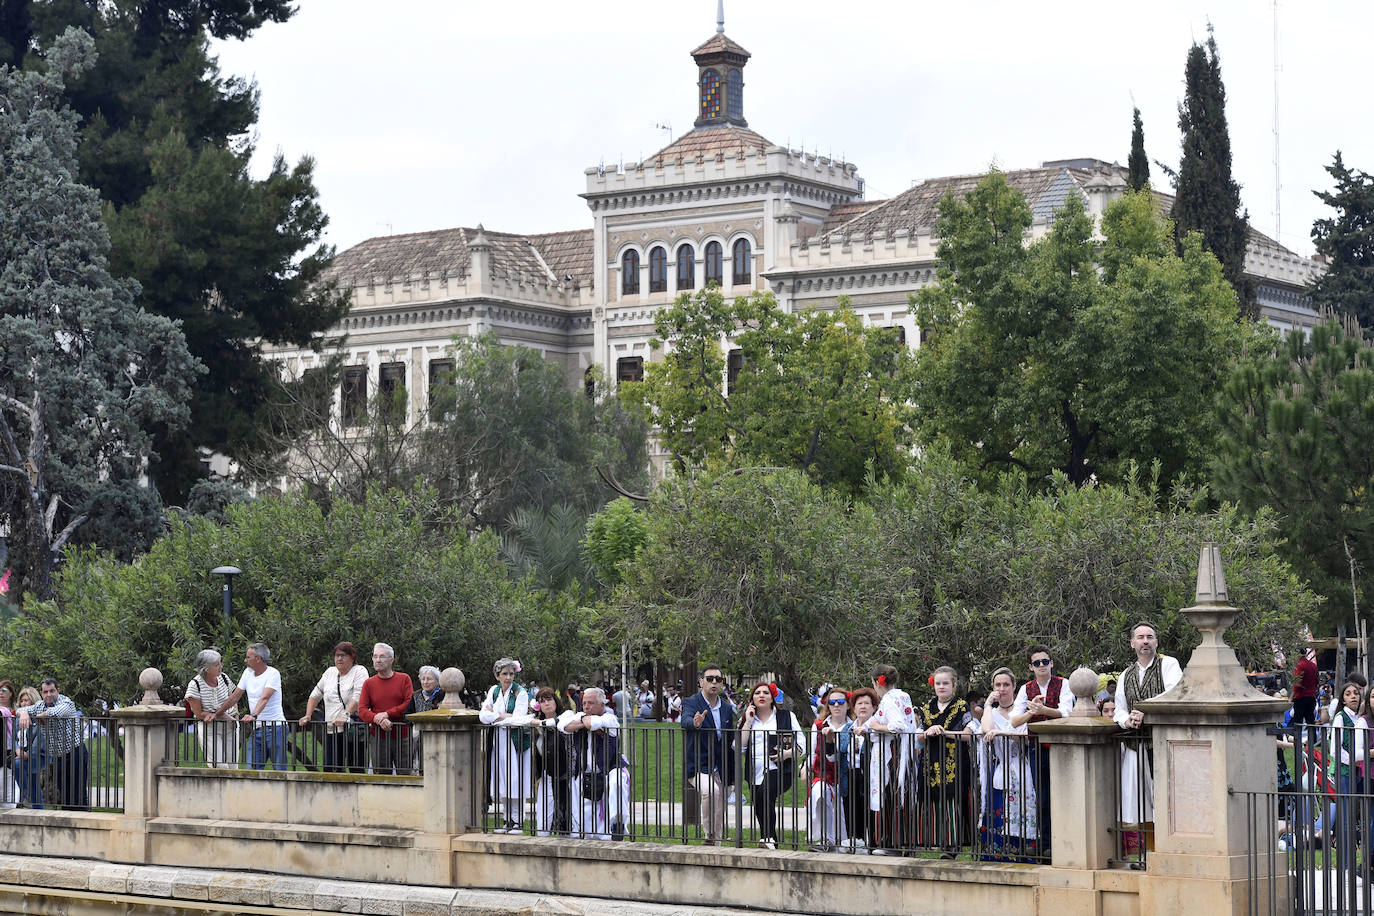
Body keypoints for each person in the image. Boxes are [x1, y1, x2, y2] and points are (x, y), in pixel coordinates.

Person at [1113, 621, 1183, 854]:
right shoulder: (1126, 674)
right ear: (1132, 643)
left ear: (1156, 641)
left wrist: (1145, 710)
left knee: (1167, 799)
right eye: (1140, 637)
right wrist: (1127, 720)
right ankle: (1148, 853)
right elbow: (1119, 709)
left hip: (1163, 744)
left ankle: (1171, 851)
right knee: (1139, 802)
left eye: (1149, 637)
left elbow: (1174, 692)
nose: (1145, 641)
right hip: (1136, 743)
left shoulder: (1169, 664)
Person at [1009, 644, 1072, 844]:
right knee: (1043, 796)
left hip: (1061, 746)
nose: (1042, 665)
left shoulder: (1063, 683)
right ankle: (1046, 842)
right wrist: (1032, 712)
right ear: (1031, 667)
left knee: (1064, 793)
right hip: (1036, 747)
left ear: (1051, 663)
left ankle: (1066, 839)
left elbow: (1066, 712)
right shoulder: (1025, 689)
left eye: (1045, 661)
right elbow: (1014, 720)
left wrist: (1042, 708)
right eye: (1037, 663)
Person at [855, 664, 918, 855]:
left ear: (877, 682)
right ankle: (904, 843)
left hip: (892, 753)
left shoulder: (889, 699)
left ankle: (891, 844)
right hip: (903, 751)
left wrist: (875, 726)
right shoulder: (903, 695)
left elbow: (897, 725)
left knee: (890, 795)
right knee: (901, 796)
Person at [978, 667, 1037, 861]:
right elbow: (986, 730)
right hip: (1001, 769)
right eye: (998, 685)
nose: (1002, 689)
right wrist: (987, 704)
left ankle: (1024, 854)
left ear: (1014, 687)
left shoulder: (1021, 711)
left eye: (1006, 684)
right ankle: (998, 856)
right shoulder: (992, 713)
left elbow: (1025, 738)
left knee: (1024, 811)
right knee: (998, 812)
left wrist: (1003, 733)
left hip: (1022, 768)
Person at [917, 666, 977, 857]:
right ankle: (939, 841)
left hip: (955, 761)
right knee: (935, 800)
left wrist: (945, 732)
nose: (941, 687)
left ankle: (954, 846)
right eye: (938, 683)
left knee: (953, 800)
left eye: (945, 683)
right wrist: (927, 732)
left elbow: (969, 735)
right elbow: (917, 738)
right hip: (931, 761)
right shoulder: (927, 708)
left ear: (954, 685)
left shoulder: (961, 706)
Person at [558, 686, 630, 840]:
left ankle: (617, 825)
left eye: (590, 703)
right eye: (584, 703)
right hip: (585, 771)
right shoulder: (582, 715)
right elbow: (563, 726)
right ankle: (585, 836)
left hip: (610, 767)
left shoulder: (610, 718)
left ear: (602, 705)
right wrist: (584, 720)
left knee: (617, 782)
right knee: (585, 811)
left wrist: (582, 720)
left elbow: (593, 724)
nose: (586, 706)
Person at [681, 664, 736, 846]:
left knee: (720, 807)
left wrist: (732, 774)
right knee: (710, 792)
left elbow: (729, 741)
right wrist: (695, 723)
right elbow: (685, 720)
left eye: (718, 679)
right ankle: (709, 835)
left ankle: (716, 845)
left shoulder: (727, 708)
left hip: (721, 765)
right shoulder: (692, 702)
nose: (714, 682)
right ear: (701, 682)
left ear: (722, 684)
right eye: (710, 679)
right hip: (699, 764)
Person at [740, 682, 798, 849]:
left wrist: (786, 754)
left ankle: (768, 838)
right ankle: (770, 841)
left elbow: (801, 745)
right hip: (754, 771)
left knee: (764, 794)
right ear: (752, 699)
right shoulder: (747, 718)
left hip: (779, 770)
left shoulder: (786, 716)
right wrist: (748, 722)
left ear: (772, 697)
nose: (761, 695)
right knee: (760, 801)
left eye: (766, 692)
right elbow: (739, 747)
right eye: (757, 693)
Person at [16, 678, 88, 810]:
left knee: (78, 793)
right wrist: (24, 713)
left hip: (76, 752)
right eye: (45, 692)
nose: (49, 695)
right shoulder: (39, 705)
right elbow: (20, 710)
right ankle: (68, 823)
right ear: (41, 693)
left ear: (58, 691)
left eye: (52, 691)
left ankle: (83, 821)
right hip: (58, 756)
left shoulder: (66, 702)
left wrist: (37, 716)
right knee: (64, 793)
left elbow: (55, 713)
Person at [479, 657, 532, 833]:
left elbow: (517, 719)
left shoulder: (520, 693)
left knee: (515, 779)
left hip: (515, 742)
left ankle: (517, 820)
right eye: (504, 674)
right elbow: (482, 715)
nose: (508, 677)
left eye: (511, 674)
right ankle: (507, 819)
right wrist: (503, 716)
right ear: (497, 676)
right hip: (498, 741)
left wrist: (495, 716)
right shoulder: (493, 690)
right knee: (502, 780)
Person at [298, 642, 368, 773]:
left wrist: (345, 715)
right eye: (337, 656)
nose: (339, 659)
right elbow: (315, 695)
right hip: (332, 729)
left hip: (352, 729)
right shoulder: (330, 672)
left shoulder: (359, 671)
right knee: (330, 769)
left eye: (343, 655)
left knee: (355, 769)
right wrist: (308, 715)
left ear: (352, 657)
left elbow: (359, 696)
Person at [216, 643, 286, 771]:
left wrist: (253, 715)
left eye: (248, 657)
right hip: (257, 729)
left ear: (258, 658)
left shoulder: (273, 674)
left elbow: (264, 698)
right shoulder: (247, 673)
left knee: (279, 770)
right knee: (251, 770)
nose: (245, 660)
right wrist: (218, 713)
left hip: (276, 728)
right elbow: (235, 696)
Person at [520, 687, 574, 836]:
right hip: (546, 774)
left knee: (566, 811)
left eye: (549, 699)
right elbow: (517, 720)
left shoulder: (566, 715)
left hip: (565, 774)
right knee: (543, 817)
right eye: (542, 701)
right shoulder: (537, 722)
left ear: (555, 701)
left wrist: (537, 723)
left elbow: (555, 723)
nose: (547, 704)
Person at [1327, 680, 1366, 883]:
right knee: (1344, 818)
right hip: (1344, 772)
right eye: (1349, 694)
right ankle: (1345, 864)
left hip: (1356, 773)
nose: (1353, 696)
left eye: (1356, 693)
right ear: (1342, 698)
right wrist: (1354, 760)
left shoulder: (1357, 718)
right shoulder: (1341, 718)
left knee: (1353, 818)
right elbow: (1335, 749)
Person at [357, 643, 413, 774]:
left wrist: (387, 714)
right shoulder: (369, 683)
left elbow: (409, 703)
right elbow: (362, 709)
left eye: (382, 656)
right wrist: (377, 719)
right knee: (381, 777)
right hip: (378, 736)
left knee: (405, 775)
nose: (377, 660)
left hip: (402, 735)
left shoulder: (404, 679)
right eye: (375, 656)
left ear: (391, 660)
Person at [809, 686, 852, 851]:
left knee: (844, 806)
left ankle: (846, 841)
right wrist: (806, 768)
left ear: (847, 704)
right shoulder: (819, 725)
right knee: (819, 793)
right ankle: (825, 838)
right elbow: (812, 752)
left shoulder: (854, 726)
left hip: (847, 776)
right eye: (832, 702)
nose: (836, 705)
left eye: (840, 702)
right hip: (824, 773)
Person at [184, 648, 240, 769]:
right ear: (206, 669)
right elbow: (198, 713)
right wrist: (213, 715)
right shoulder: (195, 684)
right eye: (216, 665)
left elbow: (233, 697)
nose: (221, 666)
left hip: (230, 724)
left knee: (233, 766)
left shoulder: (224, 678)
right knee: (219, 766)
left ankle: (231, 788)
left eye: (220, 663)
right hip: (211, 728)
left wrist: (236, 714)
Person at [842, 688, 878, 853]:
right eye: (859, 703)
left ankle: (872, 846)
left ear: (873, 707)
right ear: (853, 707)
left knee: (869, 811)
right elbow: (839, 750)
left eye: (867, 703)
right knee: (851, 810)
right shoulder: (847, 728)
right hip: (849, 774)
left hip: (870, 775)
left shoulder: (877, 726)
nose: (863, 706)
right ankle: (854, 844)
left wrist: (867, 735)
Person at [0, 681, 17, 806]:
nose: (0, 693)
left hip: (9, 752)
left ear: (11, 693)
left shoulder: (11, 711)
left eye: (4, 690)